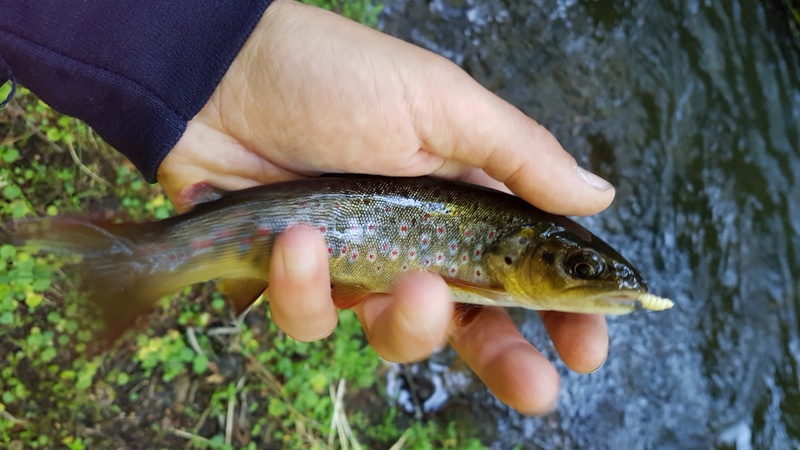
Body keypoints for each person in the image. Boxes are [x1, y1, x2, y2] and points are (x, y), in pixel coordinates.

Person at [0, 0, 615, 415]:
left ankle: (136, 262)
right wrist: (220, 57)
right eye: (579, 269)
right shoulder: (499, 257)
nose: (590, 281)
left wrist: (207, 56)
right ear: (519, 255)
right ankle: (136, 264)